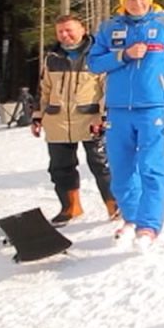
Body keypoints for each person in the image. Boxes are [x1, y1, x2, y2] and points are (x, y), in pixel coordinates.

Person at [87, 0, 164, 253]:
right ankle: (131, 218)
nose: (137, 3)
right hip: (118, 109)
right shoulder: (110, 28)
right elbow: (93, 63)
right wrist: (123, 55)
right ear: (123, 2)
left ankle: (149, 226)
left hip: (153, 108)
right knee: (121, 169)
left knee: (151, 167)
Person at [32, 14, 118, 226]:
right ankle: (70, 207)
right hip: (57, 121)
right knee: (60, 168)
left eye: (69, 30)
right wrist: (37, 116)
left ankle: (114, 205)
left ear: (83, 29)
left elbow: (108, 88)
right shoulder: (52, 57)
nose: (65, 35)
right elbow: (44, 89)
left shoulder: (98, 54)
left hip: (90, 119)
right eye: (60, 31)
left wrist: (103, 116)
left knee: (102, 164)